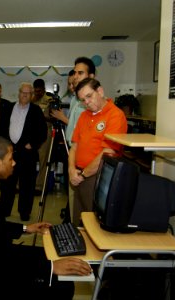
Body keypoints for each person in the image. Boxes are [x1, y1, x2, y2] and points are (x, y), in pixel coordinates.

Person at [0, 135, 92, 300]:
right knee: (62, 284)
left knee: (44, 254)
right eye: (10, 158)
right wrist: (51, 267)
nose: (14, 163)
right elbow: (0, 257)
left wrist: (26, 228)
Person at [69, 78, 127, 225]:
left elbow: (107, 152)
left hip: (98, 177)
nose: (86, 102)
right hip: (79, 176)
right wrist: (71, 169)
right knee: (79, 221)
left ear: (100, 91)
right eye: (82, 100)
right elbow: (74, 146)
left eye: (89, 96)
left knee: (94, 224)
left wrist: (83, 174)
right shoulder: (84, 116)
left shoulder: (115, 115)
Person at [50, 57, 96, 222]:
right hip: (74, 159)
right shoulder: (77, 101)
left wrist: (82, 172)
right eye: (75, 72)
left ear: (92, 76)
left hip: (87, 168)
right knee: (76, 211)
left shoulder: (91, 105)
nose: (75, 76)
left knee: (87, 214)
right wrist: (71, 167)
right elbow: (76, 140)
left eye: (80, 73)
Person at [0, 82, 47, 221]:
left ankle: (24, 212)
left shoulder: (36, 110)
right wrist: (4, 145)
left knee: (27, 185)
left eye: (28, 93)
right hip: (10, 153)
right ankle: (5, 210)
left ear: (31, 95)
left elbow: (43, 132)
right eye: (22, 92)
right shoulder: (8, 108)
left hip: (27, 155)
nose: (24, 95)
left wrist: (33, 144)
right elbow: (1, 127)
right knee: (7, 183)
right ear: (18, 93)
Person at [31, 79, 55, 193]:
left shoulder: (49, 100)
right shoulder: (32, 99)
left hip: (46, 132)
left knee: (43, 159)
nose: (38, 93)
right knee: (29, 158)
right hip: (32, 132)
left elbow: (54, 117)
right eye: (36, 91)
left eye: (39, 91)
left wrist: (41, 116)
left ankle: (39, 186)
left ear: (44, 88)